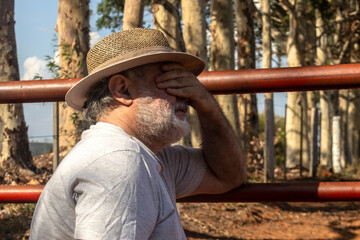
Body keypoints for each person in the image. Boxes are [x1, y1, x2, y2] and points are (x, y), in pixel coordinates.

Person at [30, 28, 246, 240]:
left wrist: (206, 104)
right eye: (170, 81)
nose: (186, 95)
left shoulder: (149, 156)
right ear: (122, 89)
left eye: (185, 82)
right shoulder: (119, 163)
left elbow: (228, 176)